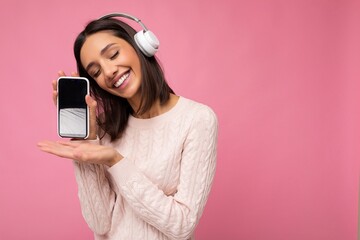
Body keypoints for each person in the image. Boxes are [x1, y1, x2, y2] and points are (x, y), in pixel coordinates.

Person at [38, 13, 218, 240]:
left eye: (113, 54)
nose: (109, 71)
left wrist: (115, 161)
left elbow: (182, 227)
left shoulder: (197, 119)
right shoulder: (104, 129)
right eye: (96, 72)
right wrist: (87, 145)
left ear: (141, 46)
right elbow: (100, 223)